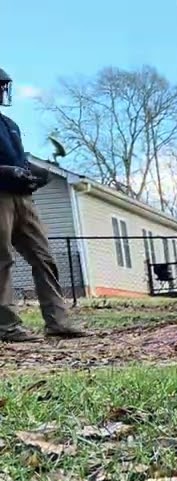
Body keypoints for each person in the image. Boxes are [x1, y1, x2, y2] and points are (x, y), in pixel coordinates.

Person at [0, 66, 86, 342]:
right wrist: (4, 172)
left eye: (4, 87)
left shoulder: (10, 125)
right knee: (2, 260)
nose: (3, 91)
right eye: (0, 86)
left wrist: (34, 174)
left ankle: (58, 321)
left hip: (24, 199)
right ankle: (6, 325)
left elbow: (21, 161)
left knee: (44, 257)